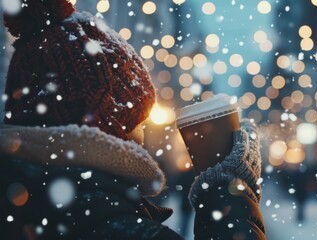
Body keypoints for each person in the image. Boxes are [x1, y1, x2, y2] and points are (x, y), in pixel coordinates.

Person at [0, 1, 266, 239]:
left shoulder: (25, 199)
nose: (142, 136)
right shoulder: (108, 222)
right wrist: (229, 189)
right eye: (138, 122)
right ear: (110, 126)